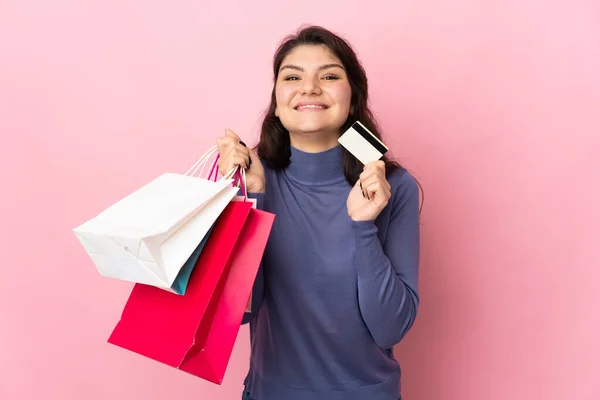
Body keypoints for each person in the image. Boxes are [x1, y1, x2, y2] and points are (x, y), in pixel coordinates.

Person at [215, 25, 421, 400]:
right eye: (292, 76)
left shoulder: (394, 187)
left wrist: (363, 226)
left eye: (328, 76)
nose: (309, 87)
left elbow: (391, 327)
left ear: (353, 98)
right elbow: (240, 310)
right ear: (277, 101)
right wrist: (252, 200)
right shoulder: (249, 179)